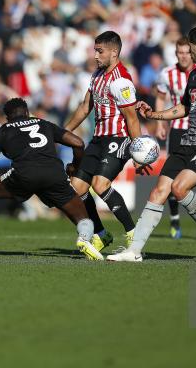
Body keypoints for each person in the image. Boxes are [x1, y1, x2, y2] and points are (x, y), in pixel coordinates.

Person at [108, 24, 196, 262]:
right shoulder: (195, 74)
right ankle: (134, 252)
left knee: (180, 188)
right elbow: (185, 107)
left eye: (189, 49)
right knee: (158, 191)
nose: (188, 54)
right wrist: (154, 115)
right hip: (187, 142)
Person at [0, 98, 103, 261]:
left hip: (24, 175)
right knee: (83, 218)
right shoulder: (43, 123)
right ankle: (84, 239)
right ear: (26, 112)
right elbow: (78, 143)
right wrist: (75, 167)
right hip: (54, 174)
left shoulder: (1, 132)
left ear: (7, 118)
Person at [64, 31, 145, 253]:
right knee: (77, 187)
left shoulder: (122, 81)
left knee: (100, 185)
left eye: (100, 51)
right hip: (98, 139)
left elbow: (132, 118)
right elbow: (84, 107)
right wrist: (64, 132)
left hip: (118, 139)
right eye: (95, 50)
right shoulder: (97, 75)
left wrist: (137, 152)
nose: (96, 56)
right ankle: (101, 233)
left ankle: (133, 234)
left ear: (114, 52)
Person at [155, 36, 196, 240]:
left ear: (192, 53)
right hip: (178, 130)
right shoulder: (167, 74)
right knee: (173, 175)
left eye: (186, 52)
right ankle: (174, 221)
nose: (183, 56)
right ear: (175, 54)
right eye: (179, 53)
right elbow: (160, 97)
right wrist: (159, 122)